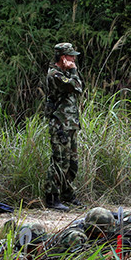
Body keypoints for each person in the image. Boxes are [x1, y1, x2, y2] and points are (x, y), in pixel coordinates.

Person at [42, 42, 84, 211]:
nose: (74, 59)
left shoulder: (65, 74)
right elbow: (77, 87)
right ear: (63, 57)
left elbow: (78, 86)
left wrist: (72, 71)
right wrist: (73, 70)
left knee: (72, 162)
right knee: (60, 161)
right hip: (60, 124)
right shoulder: (55, 75)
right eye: (71, 56)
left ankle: (67, 194)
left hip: (70, 124)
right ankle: (52, 197)